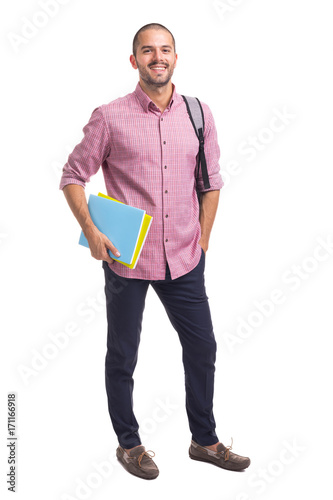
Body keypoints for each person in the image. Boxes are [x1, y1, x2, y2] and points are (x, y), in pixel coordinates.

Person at [59, 23, 250, 480]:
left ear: (176, 59)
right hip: (127, 259)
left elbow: (212, 183)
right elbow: (72, 175)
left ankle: (203, 441)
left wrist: (201, 242)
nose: (157, 57)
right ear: (134, 61)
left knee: (202, 347)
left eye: (165, 50)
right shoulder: (109, 116)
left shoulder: (199, 113)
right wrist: (93, 232)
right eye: (147, 51)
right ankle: (129, 444)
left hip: (185, 258)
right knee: (123, 354)